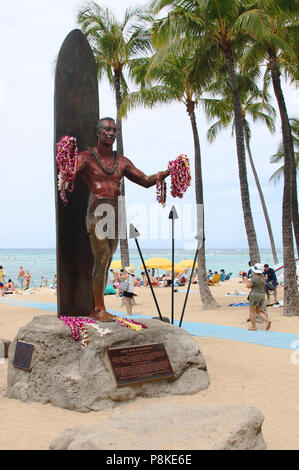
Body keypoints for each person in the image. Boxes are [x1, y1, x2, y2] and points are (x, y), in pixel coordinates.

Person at [70, 117, 169, 322]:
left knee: (106, 263)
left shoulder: (121, 161)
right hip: (96, 210)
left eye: (114, 130)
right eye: (107, 129)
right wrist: (65, 158)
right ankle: (98, 309)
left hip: (115, 212)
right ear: (98, 132)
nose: (111, 133)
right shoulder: (87, 157)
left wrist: (169, 171)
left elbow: (145, 180)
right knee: (103, 257)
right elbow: (68, 174)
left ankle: (96, 306)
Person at [242, 263, 271, 331]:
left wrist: (246, 280)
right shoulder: (263, 277)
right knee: (259, 311)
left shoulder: (255, 277)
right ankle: (267, 320)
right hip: (262, 295)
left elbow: (248, 286)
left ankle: (254, 326)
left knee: (252, 311)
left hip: (255, 295)